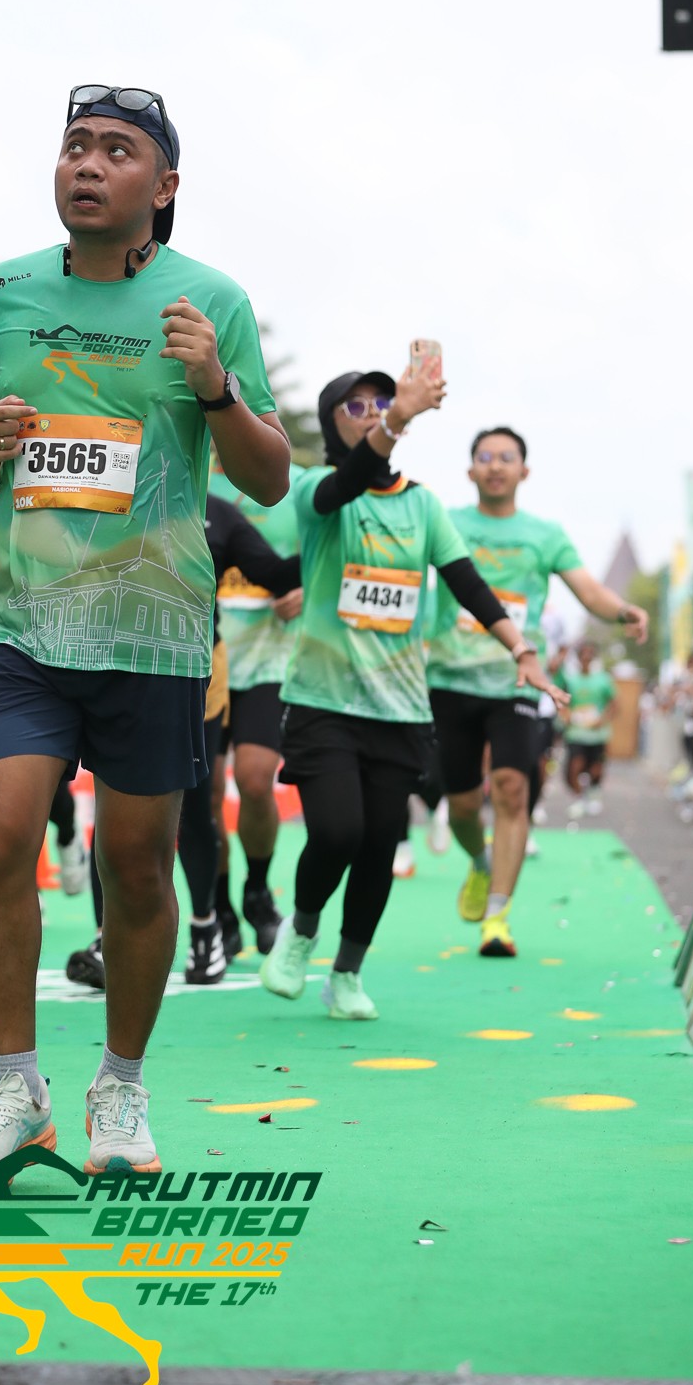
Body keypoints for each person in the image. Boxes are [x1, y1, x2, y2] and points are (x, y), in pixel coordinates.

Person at [0, 83, 289, 1176]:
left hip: (152, 632)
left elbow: (269, 478)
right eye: (74, 146)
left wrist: (215, 388)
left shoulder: (211, 300)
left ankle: (120, 1092)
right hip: (16, 624)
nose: (87, 165)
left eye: (117, 151)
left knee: (136, 869)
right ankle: (15, 1089)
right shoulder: (0, 293)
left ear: (164, 185)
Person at [260, 363, 564, 1015]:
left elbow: (468, 583)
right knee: (337, 831)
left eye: (382, 401)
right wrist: (399, 419)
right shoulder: (316, 491)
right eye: (355, 405)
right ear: (331, 425)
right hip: (322, 701)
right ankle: (301, 931)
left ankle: (347, 973)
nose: (372, 410)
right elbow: (344, 483)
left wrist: (521, 649)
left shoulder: (423, 505)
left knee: (379, 844)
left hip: (399, 709)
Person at [66, 490, 300, 989]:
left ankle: (205, 928)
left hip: (192, 674)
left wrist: (332, 541)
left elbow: (277, 573)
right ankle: (106, 938)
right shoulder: (108, 494)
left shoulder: (217, 513)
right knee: (111, 802)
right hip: (115, 667)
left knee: (195, 804)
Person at [424, 428, 648, 951]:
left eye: (507, 457)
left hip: (519, 681)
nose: (496, 465)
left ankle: (497, 917)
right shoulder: (446, 523)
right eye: (485, 457)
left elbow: (588, 590)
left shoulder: (545, 535)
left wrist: (623, 611)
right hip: (450, 679)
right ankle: (480, 862)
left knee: (511, 788)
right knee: (461, 805)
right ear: (470, 470)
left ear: (524, 471)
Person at [209, 457, 305, 952]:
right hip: (203, 662)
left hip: (268, 662)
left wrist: (307, 590)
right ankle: (218, 909)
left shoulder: (297, 483)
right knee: (205, 796)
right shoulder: (184, 469)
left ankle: (258, 891)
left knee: (254, 779)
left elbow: (331, 549)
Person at [562, 640, 618, 810]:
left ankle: (593, 795)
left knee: (596, 769)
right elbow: (563, 703)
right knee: (575, 766)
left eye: (589, 654)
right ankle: (578, 797)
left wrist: (602, 720)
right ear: (578, 657)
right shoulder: (570, 680)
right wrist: (567, 716)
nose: (586, 657)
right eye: (583, 654)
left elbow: (614, 704)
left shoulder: (603, 679)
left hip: (597, 734)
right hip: (576, 733)